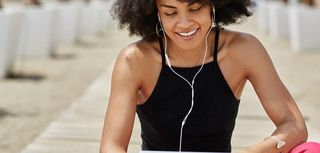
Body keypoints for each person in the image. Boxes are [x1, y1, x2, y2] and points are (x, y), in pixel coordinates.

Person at [100, 0, 312, 152]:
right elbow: (111, 146)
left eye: (194, 8)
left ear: (213, 5)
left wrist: (253, 151)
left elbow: (294, 125)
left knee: (312, 150)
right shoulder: (134, 60)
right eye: (170, 12)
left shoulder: (244, 50)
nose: (184, 23)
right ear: (155, 13)